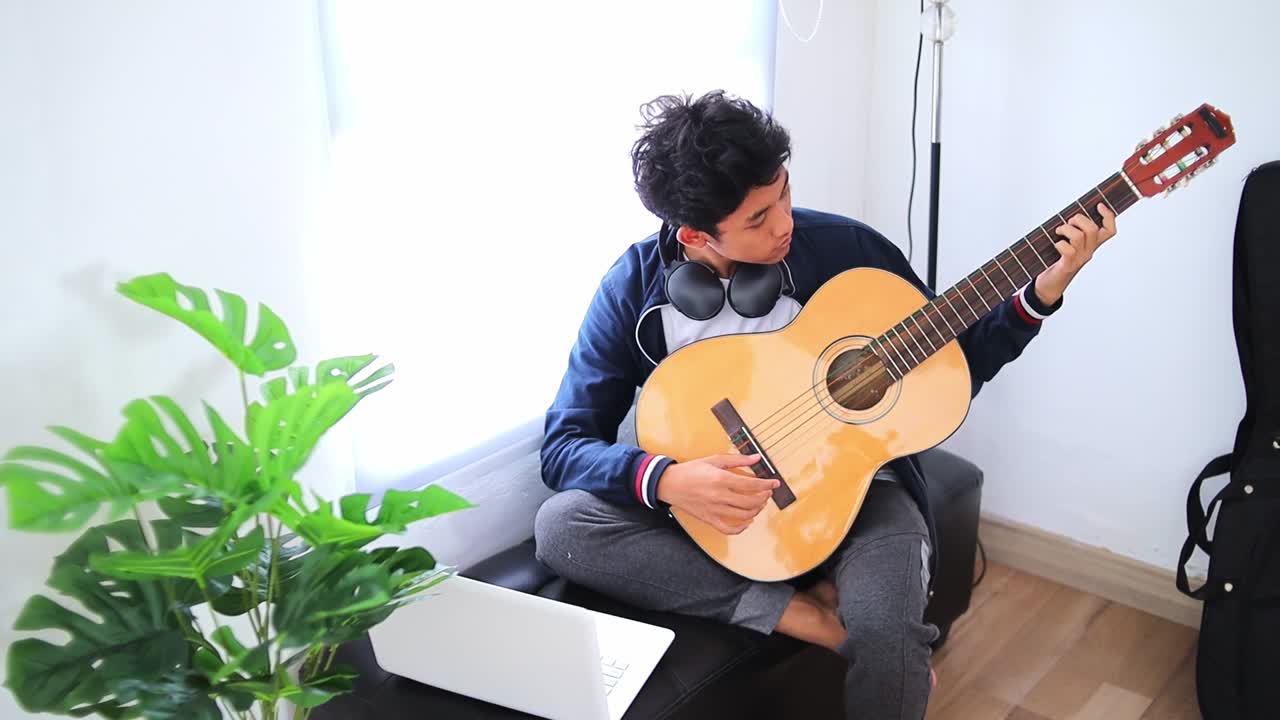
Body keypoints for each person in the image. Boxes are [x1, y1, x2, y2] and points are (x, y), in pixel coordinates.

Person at [533, 90, 1115, 719]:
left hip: (864, 495)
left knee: (890, 633)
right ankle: (802, 615)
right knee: (562, 527)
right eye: (757, 219)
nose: (784, 221)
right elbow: (565, 446)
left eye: (782, 192)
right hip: (717, 516)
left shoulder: (846, 252)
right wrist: (668, 479)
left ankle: (845, 620)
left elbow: (953, 368)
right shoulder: (632, 290)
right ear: (696, 235)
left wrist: (1038, 296)